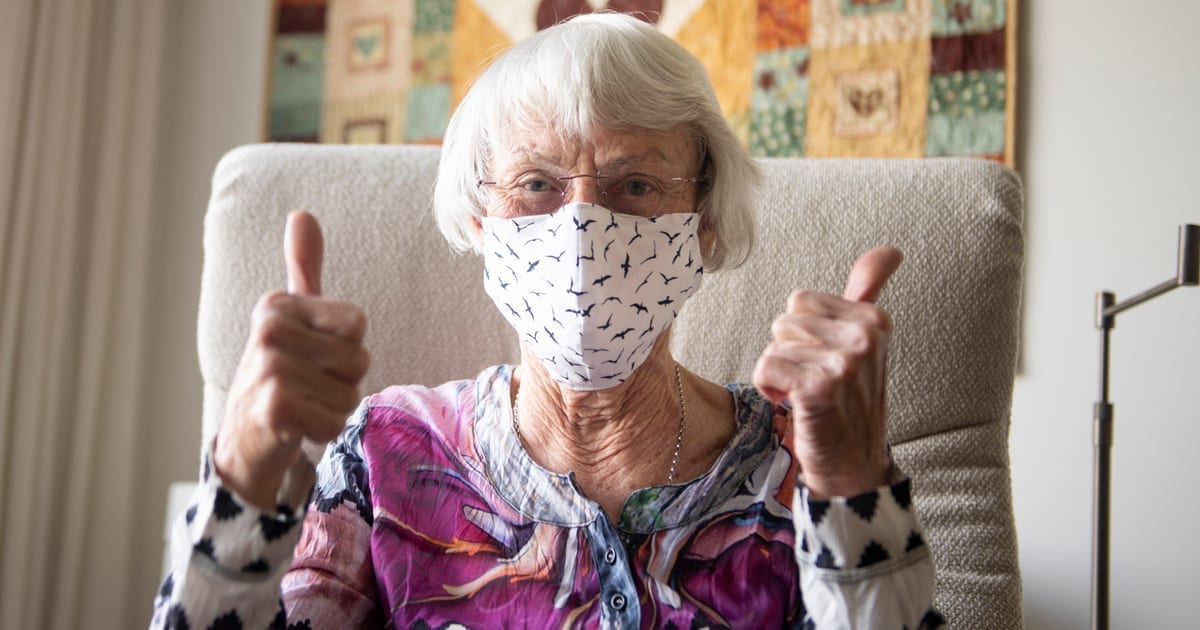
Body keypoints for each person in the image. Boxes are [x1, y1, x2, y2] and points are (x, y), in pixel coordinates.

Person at [152, 12, 941, 629]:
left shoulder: (800, 462)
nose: (581, 228)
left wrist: (852, 485)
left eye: (635, 185)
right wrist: (248, 478)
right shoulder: (385, 458)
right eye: (536, 184)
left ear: (703, 226)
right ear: (480, 222)